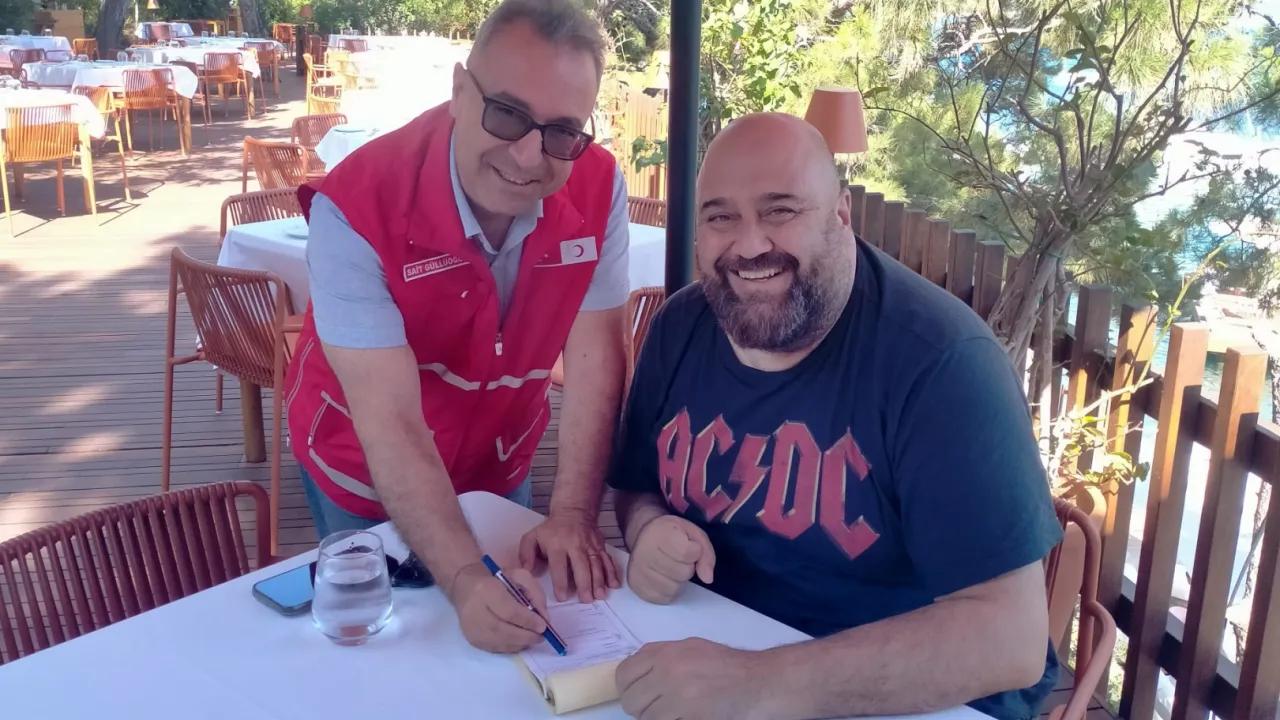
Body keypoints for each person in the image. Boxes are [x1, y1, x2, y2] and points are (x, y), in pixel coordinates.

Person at [608, 112, 1063, 720]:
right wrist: (647, 531)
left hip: (908, 699)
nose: (749, 245)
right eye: (720, 217)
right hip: (716, 660)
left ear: (841, 214)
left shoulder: (943, 363)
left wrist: (757, 683)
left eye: (780, 210)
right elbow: (636, 488)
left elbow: (1009, 638)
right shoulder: (679, 326)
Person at [285, 0, 628, 655]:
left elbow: (597, 362)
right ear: (459, 92)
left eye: (562, 131)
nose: (528, 155)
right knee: (394, 648)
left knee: (510, 635)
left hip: (499, 457)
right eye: (507, 114)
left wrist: (573, 513)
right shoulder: (357, 205)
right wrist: (467, 579)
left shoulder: (598, 185)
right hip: (366, 464)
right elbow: (390, 422)